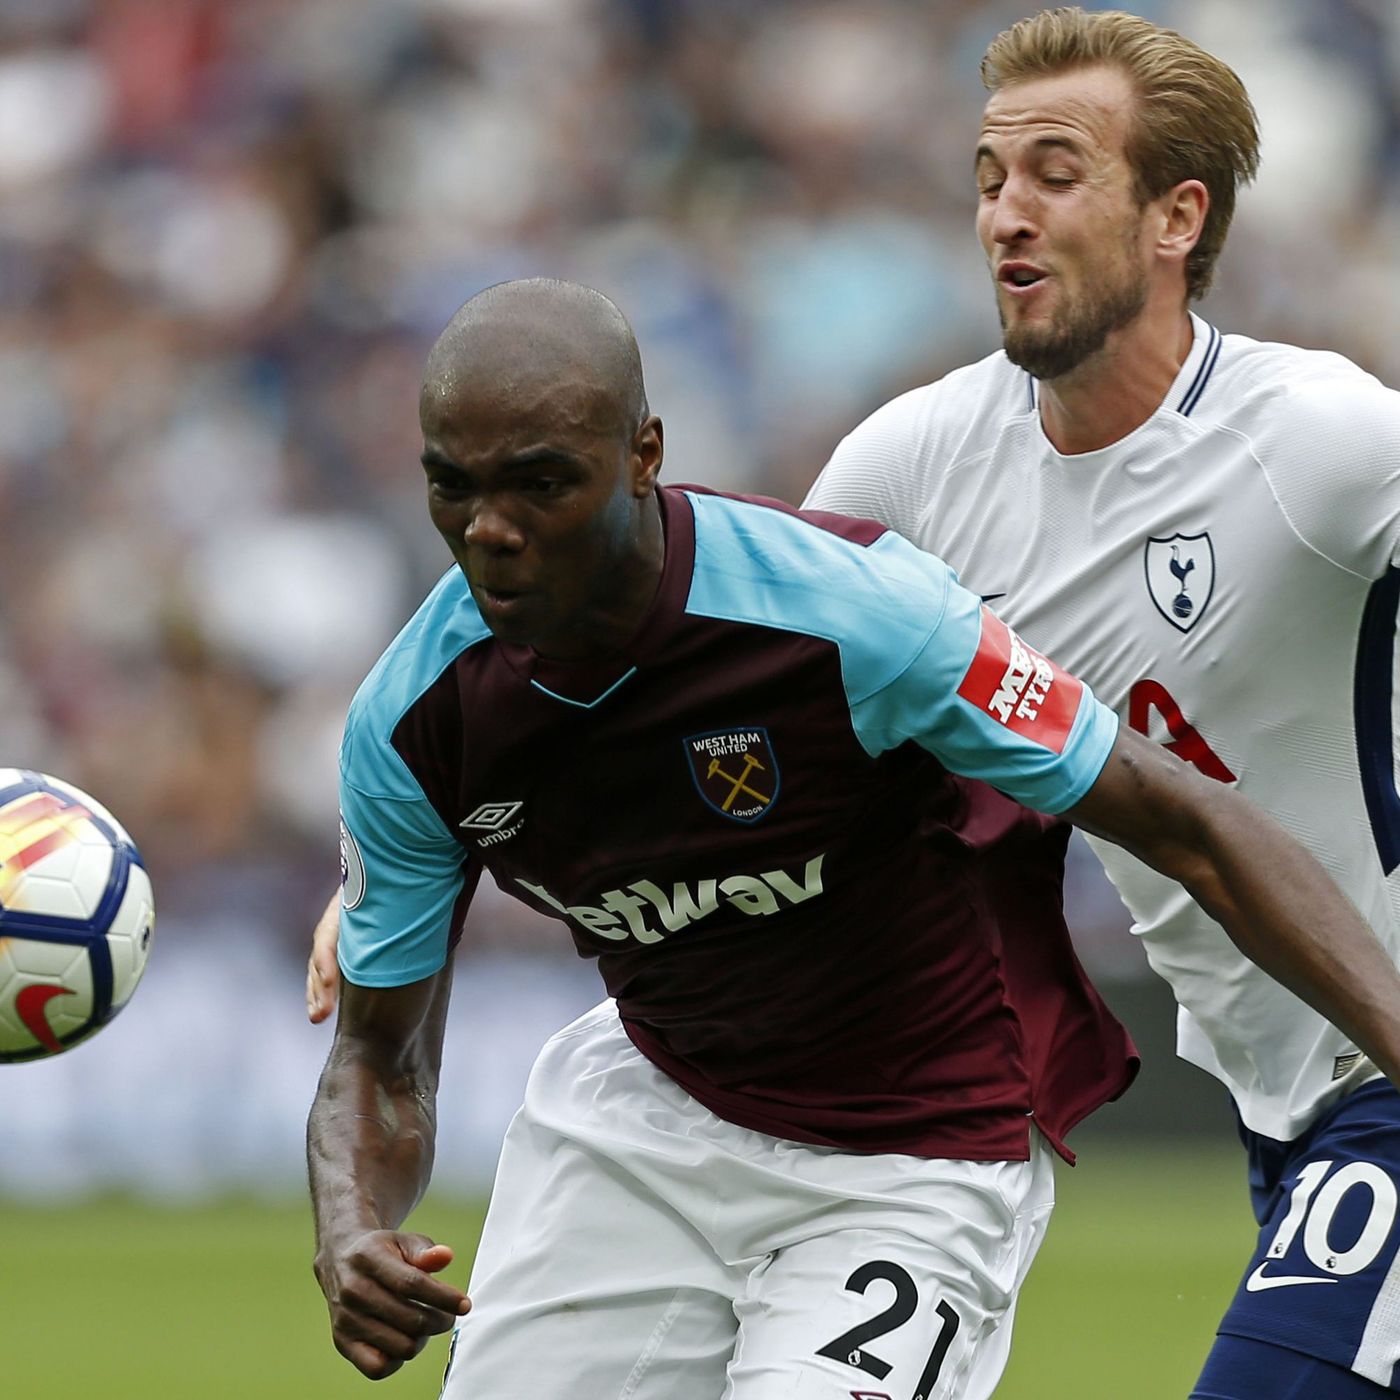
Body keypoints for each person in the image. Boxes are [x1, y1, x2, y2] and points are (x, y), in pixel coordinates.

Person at [308, 275, 1400, 1400]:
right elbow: (377, 1056)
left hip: (912, 1156)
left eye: (541, 484)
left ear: (643, 455)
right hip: (649, 1115)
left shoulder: (850, 614)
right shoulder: (411, 720)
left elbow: (1188, 820)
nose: (491, 532)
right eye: (454, 487)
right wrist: (350, 1226)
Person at [802, 7, 1400, 1397]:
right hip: (1281, 1101)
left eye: (1056, 174)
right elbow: (708, 653)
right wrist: (408, 847)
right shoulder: (912, 467)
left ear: (1175, 217)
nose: (1006, 213)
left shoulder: (1318, 441)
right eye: (989, 178)